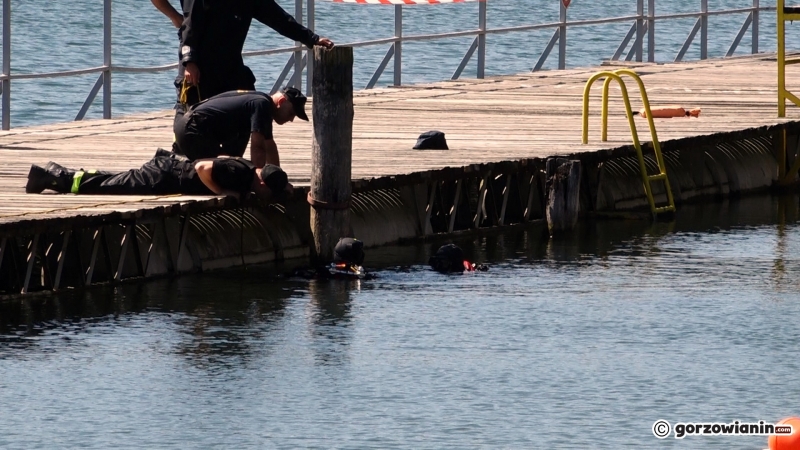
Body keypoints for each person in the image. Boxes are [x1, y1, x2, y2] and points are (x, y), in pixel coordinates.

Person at [176, 0, 335, 110]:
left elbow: (279, 19)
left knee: (252, 109)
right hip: (199, 69)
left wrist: (312, 39)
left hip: (231, 67)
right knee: (195, 126)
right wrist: (189, 61)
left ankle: (237, 157)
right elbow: (190, 26)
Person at [24, 150, 291, 201]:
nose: (269, 198)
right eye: (271, 193)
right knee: (113, 186)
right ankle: (53, 177)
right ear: (263, 182)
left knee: (115, 181)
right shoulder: (242, 174)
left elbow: (219, 158)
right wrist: (221, 193)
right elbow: (203, 168)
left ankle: (58, 174)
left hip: (171, 168)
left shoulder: (247, 170)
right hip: (166, 175)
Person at [172, 87, 306, 167]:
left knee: (233, 166)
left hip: (189, 126)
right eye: (291, 113)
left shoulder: (260, 101)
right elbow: (258, 146)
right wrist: (258, 180)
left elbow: (269, 145)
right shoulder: (262, 105)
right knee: (226, 171)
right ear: (281, 101)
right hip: (193, 130)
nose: (291, 119)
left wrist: (277, 175)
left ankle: (178, 159)